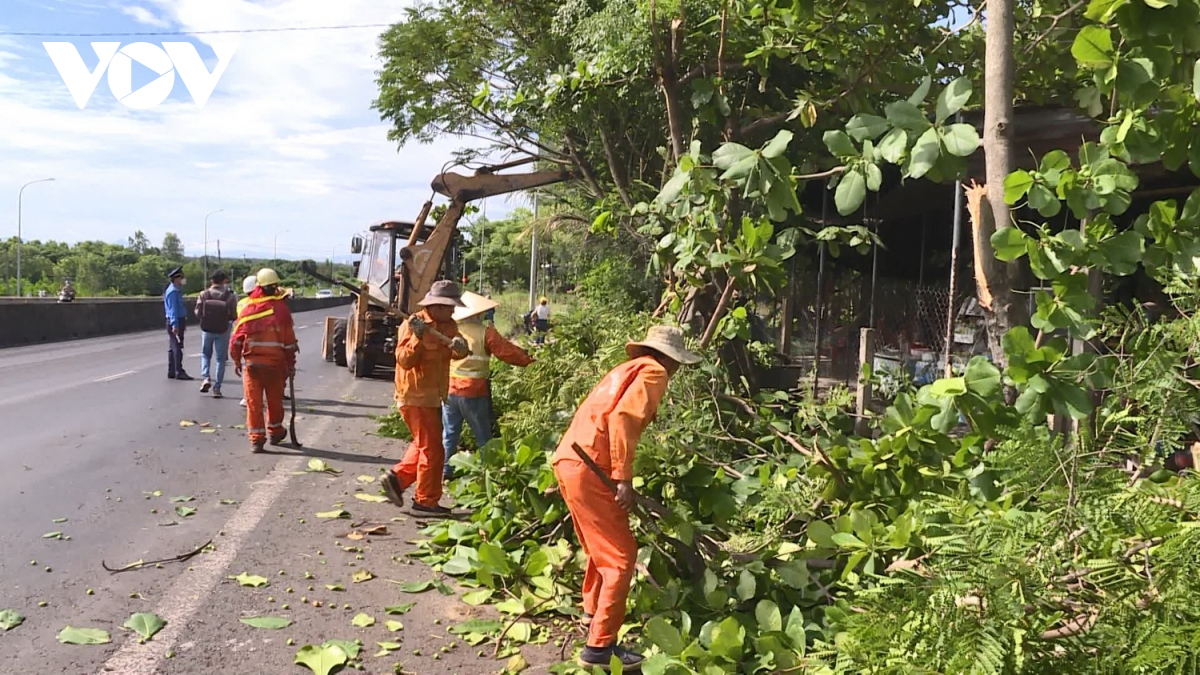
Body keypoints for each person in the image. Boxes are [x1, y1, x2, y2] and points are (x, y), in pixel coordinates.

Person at [552, 325, 701, 670]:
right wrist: (623, 478)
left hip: (571, 459)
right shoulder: (654, 371)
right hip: (591, 466)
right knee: (621, 557)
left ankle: (592, 613)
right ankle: (600, 648)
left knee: (599, 549)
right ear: (669, 357)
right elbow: (622, 420)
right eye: (677, 362)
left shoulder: (625, 369)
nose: (676, 370)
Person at [380, 280, 469, 515]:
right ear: (436, 305)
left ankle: (397, 480)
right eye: (449, 307)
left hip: (434, 395)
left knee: (424, 444)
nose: (452, 311)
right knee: (434, 449)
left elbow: (456, 352)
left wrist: (461, 347)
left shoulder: (448, 326)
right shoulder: (412, 324)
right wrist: (418, 338)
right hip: (414, 396)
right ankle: (425, 501)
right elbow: (404, 360)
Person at [442, 291, 534, 479]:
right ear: (477, 314)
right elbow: (507, 352)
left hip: (450, 389)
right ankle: (488, 474)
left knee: (449, 434)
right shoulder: (485, 333)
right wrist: (530, 360)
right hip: (474, 391)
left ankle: (444, 471)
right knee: (483, 435)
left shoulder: (451, 331)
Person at [230, 269, 298, 453]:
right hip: (275, 366)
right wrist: (291, 365)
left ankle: (256, 440)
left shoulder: (248, 309)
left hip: (252, 365)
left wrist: (237, 361)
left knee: (254, 403)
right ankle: (275, 432)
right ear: (276, 287)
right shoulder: (281, 311)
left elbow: (236, 340)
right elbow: (289, 343)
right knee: (275, 401)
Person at [195, 271, 237, 398]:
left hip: (207, 329)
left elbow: (197, 312)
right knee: (220, 359)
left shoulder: (204, 294)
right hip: (223, 329)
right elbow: (234, 314)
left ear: (212, 280)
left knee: (205, 354)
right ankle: (217, 388)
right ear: (224, 281)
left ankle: (206, 377)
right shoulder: (229, 296)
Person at [164, 267, 193, 381]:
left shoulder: (175, 290)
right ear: (176, 278)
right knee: (177, 347)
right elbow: (173, 310)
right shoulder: (173, 292)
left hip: (176, 320)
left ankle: (172, 371)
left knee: (173, 346)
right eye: (181, 277)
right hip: (175, 321)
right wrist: (175, 324)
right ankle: (178, 371)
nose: (183, 279)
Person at [237, 274, 257, 408]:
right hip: (259, 337)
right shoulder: (262, 302)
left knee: (248, 370)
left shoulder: (241, 303)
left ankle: (247, 397)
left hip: (245, 339)